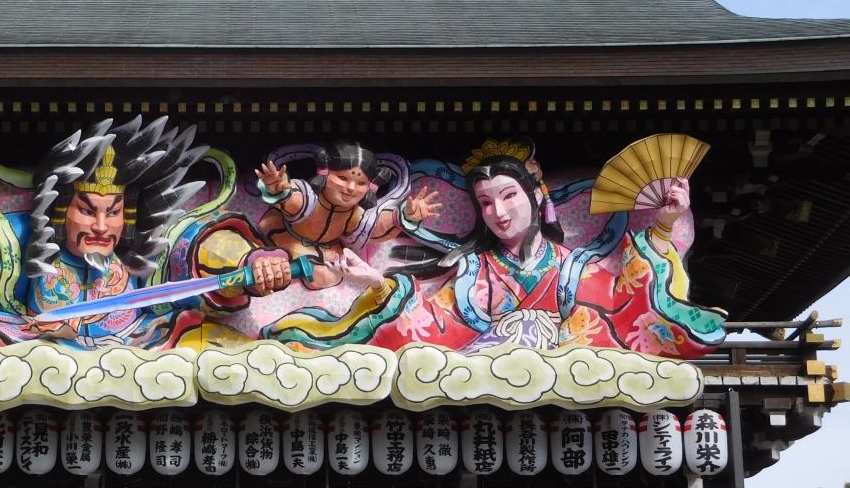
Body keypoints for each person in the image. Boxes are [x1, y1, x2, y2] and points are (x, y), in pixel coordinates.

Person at [264, 140, 726, 357]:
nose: (498, 212)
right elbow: (431, 326)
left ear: (537, 197)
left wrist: (665, 223)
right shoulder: (474, 273)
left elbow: (625, 299)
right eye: (485, 203)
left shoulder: (572, 270)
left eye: (509, 197)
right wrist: (376, 283)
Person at [0, 117, 292, 350]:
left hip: (142, 348)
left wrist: (252, 265)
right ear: (60, 210)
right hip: (34, 351)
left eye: (114, 213)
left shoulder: (142, 251)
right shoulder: (25, 242)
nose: (101, 226)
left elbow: (194, 251)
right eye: (87, 210)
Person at [254, 141, 440, 290]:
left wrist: (405, 215)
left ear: (370, 187)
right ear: (325, 173)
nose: (351, 188)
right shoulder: (309, 198)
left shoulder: (355, 215)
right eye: (342, 178)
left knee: (327, 275)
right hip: (285, 236)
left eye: (361, 183)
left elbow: (376, 227)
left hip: (324, 252)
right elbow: (292, 199)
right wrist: (277, 189)